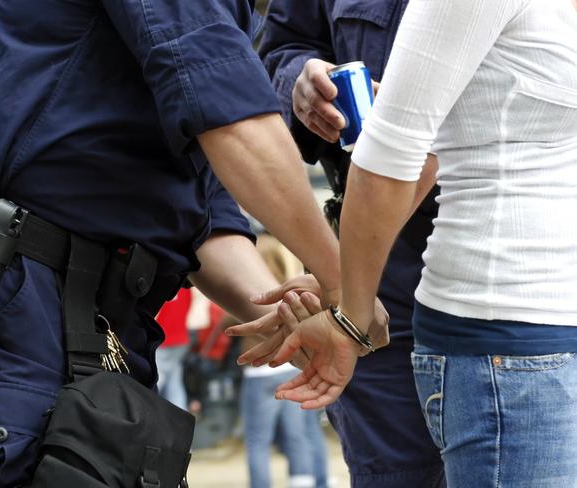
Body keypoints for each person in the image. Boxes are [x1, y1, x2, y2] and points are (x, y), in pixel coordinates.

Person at [0, 1, 343, 486]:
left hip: (101, 327)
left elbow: (204, 219)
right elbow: (232, 121)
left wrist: (288, 312)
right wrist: (346, 287)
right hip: (12, 305)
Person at [234, 0, 577, 486]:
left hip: (525, 304)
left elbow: (421, 152)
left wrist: (345, 293)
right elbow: (398, 153)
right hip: (445, 286)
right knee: (396, 472)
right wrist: (350, 297)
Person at [257, 1, 444, 486]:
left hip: (510, 254)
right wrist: (300, 82)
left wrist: (345, 291)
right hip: (382, 273)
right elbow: (282, 46)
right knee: (394, 472)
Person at [240, 233, 327, 488]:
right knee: (297, 435)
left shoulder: (248, 296)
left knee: (258, 441)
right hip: (289, 368)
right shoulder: (294, 297)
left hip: (259, 372)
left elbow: (232, 323)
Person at [155, 288, 192, 410]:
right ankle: (181, 416)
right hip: (181, 338)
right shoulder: (184, 288)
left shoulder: (162, 285)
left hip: (163, 339)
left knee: (157, 381)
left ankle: (147, 412)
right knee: (174, 382)